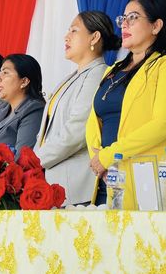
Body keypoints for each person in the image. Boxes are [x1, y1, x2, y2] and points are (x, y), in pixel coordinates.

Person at [86, 0, 166, 209]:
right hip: (106, 177)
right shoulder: (113, 69)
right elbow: (93, 120)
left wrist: (109, 155)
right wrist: (98, 159)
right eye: (123, 19)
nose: (124, 24)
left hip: (144, 179)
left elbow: (163, 124)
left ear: (156, 26)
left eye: (133, 17)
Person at [35, 11, 120, 205]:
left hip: (73, 187)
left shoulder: (98, 73)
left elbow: (76, 131)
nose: (66, 37)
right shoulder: (73, 77)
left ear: (94, 37)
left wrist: (35, 161)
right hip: (49, 180)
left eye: (74, 30)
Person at [0, 54, 45, 155]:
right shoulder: (0, 109)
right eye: (0, 72)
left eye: (5, 72)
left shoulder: (34, 110)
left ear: (24, 81)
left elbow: (22, 157)